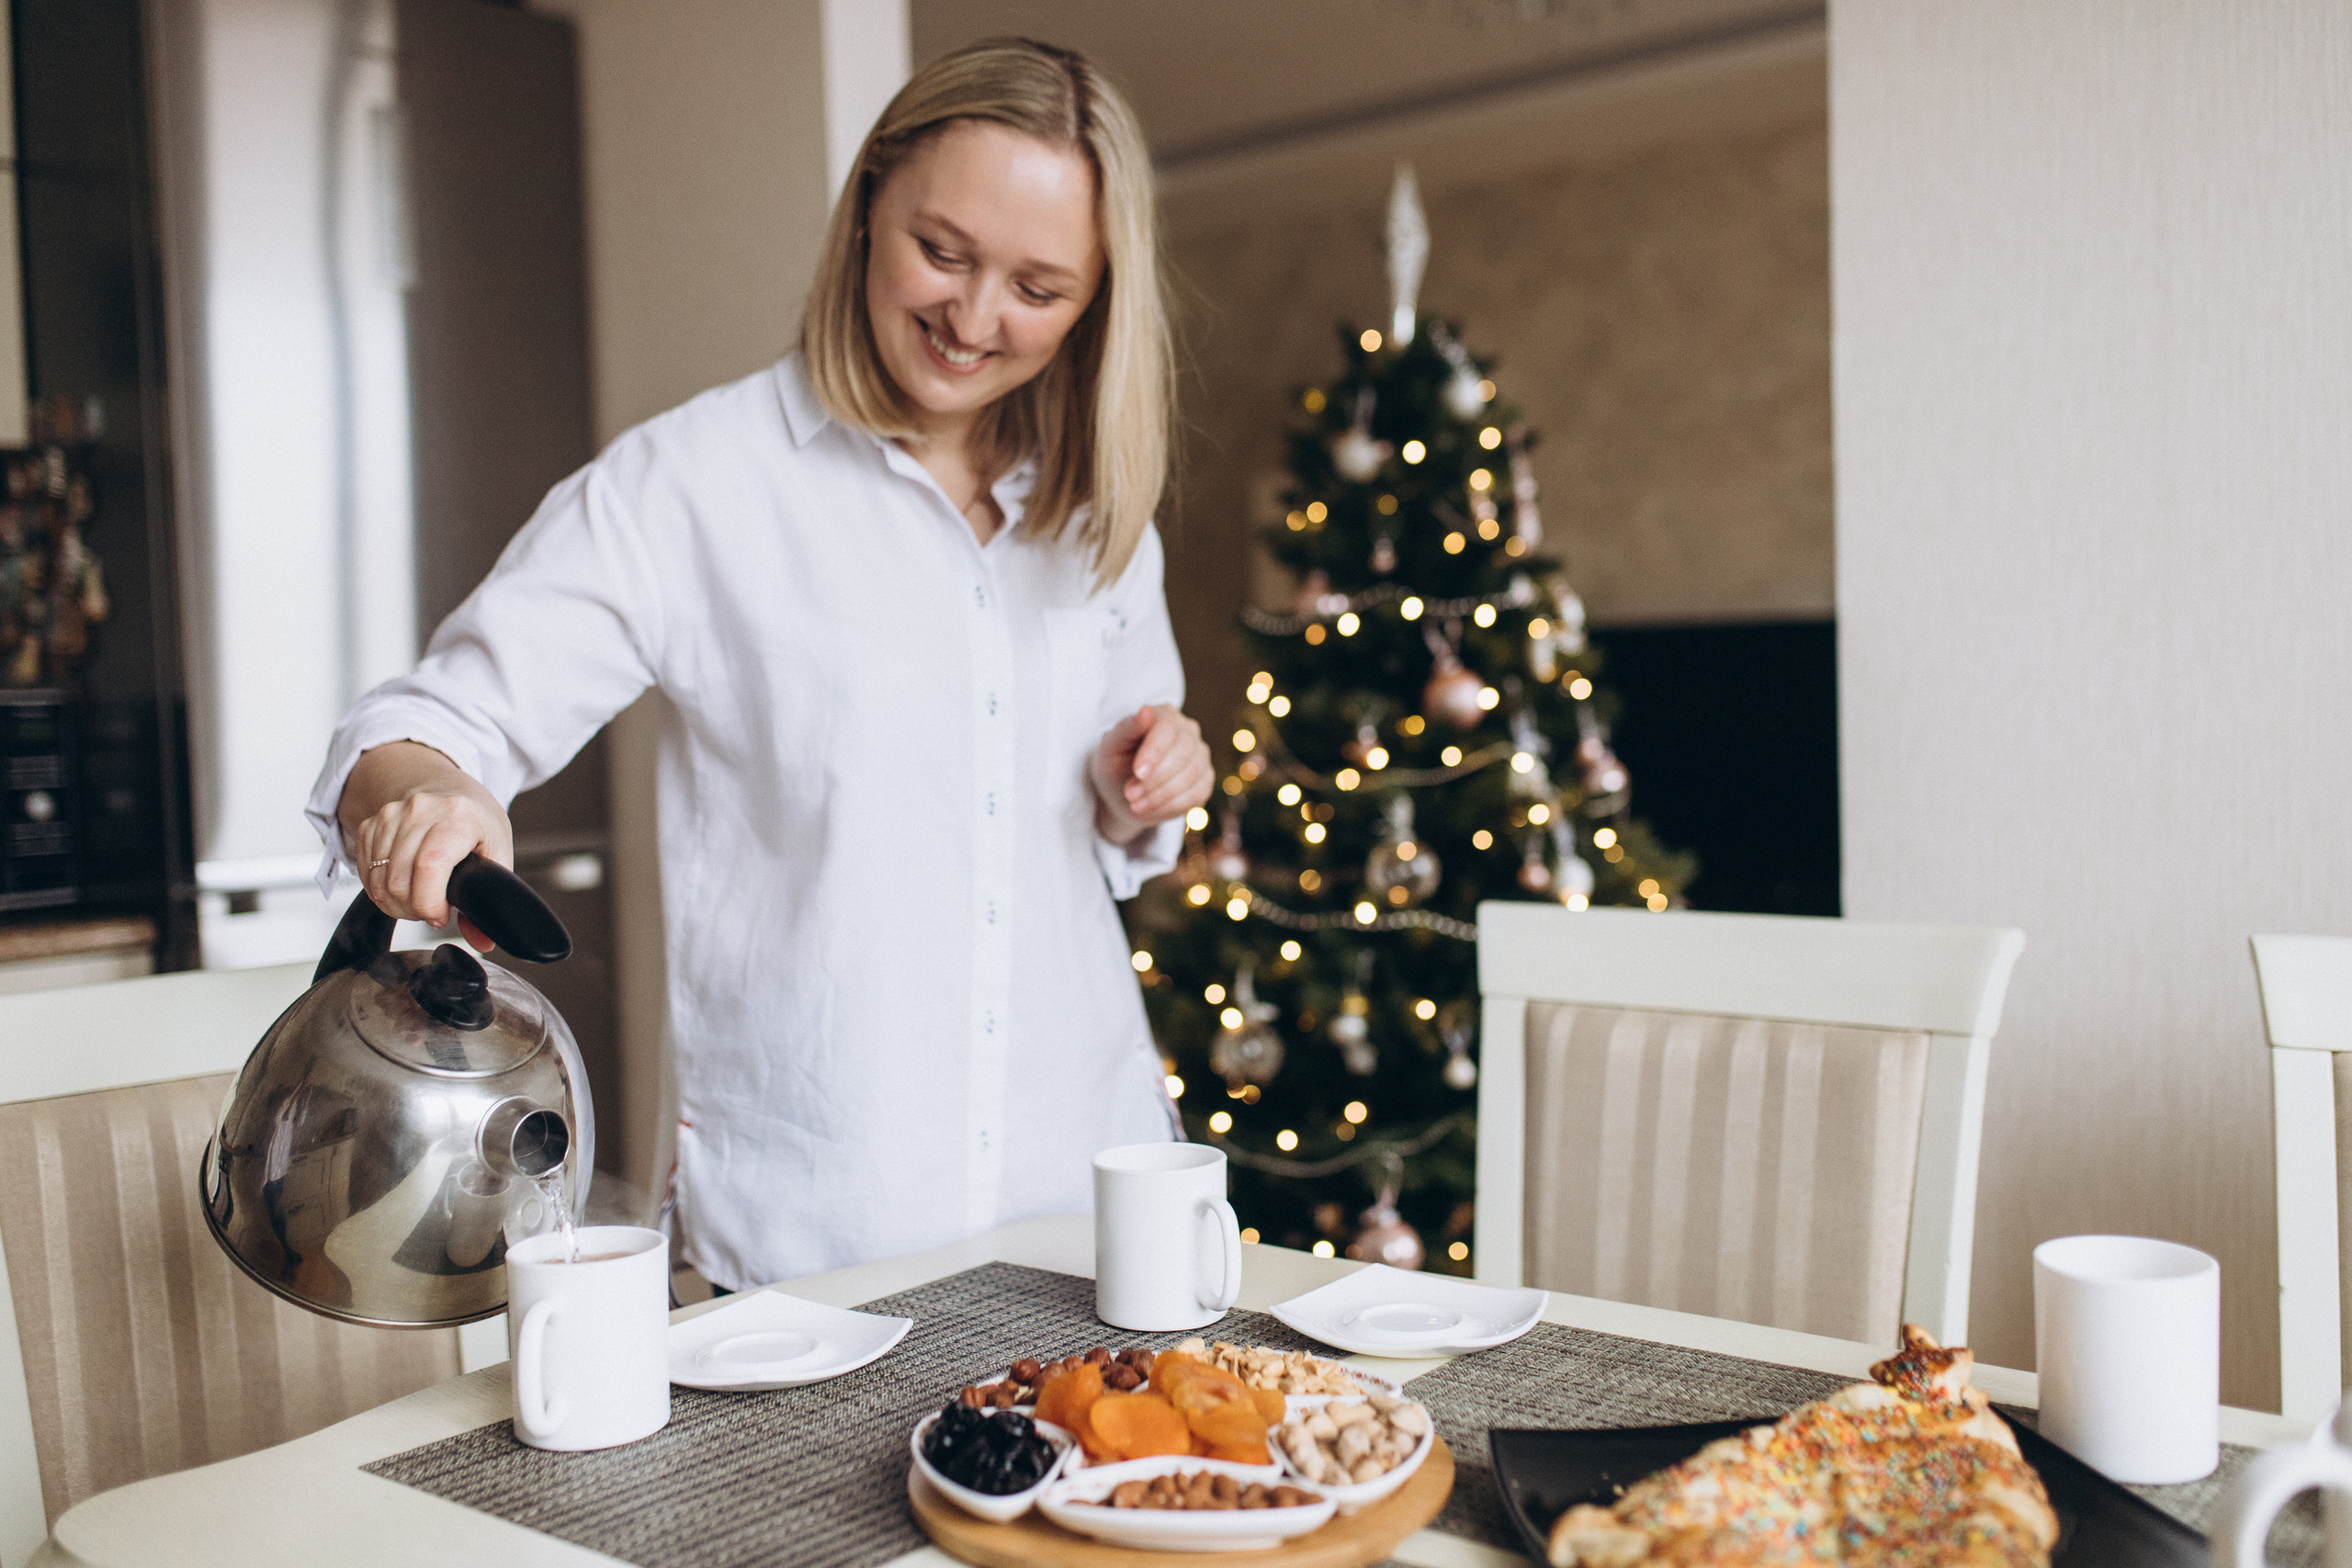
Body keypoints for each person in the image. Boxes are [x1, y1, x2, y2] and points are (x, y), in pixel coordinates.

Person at [306, 39, 1213, 1293]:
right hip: (819, 1235)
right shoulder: (696, 484)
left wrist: (1149, 775)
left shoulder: (1097, 515)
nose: (974, 317)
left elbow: (1113, 797)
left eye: (1040, 288)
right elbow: (423, 721)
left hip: (1086, 1199)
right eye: (941, 252)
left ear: (1100, 298)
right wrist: (425, 791)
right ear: (869, 207)